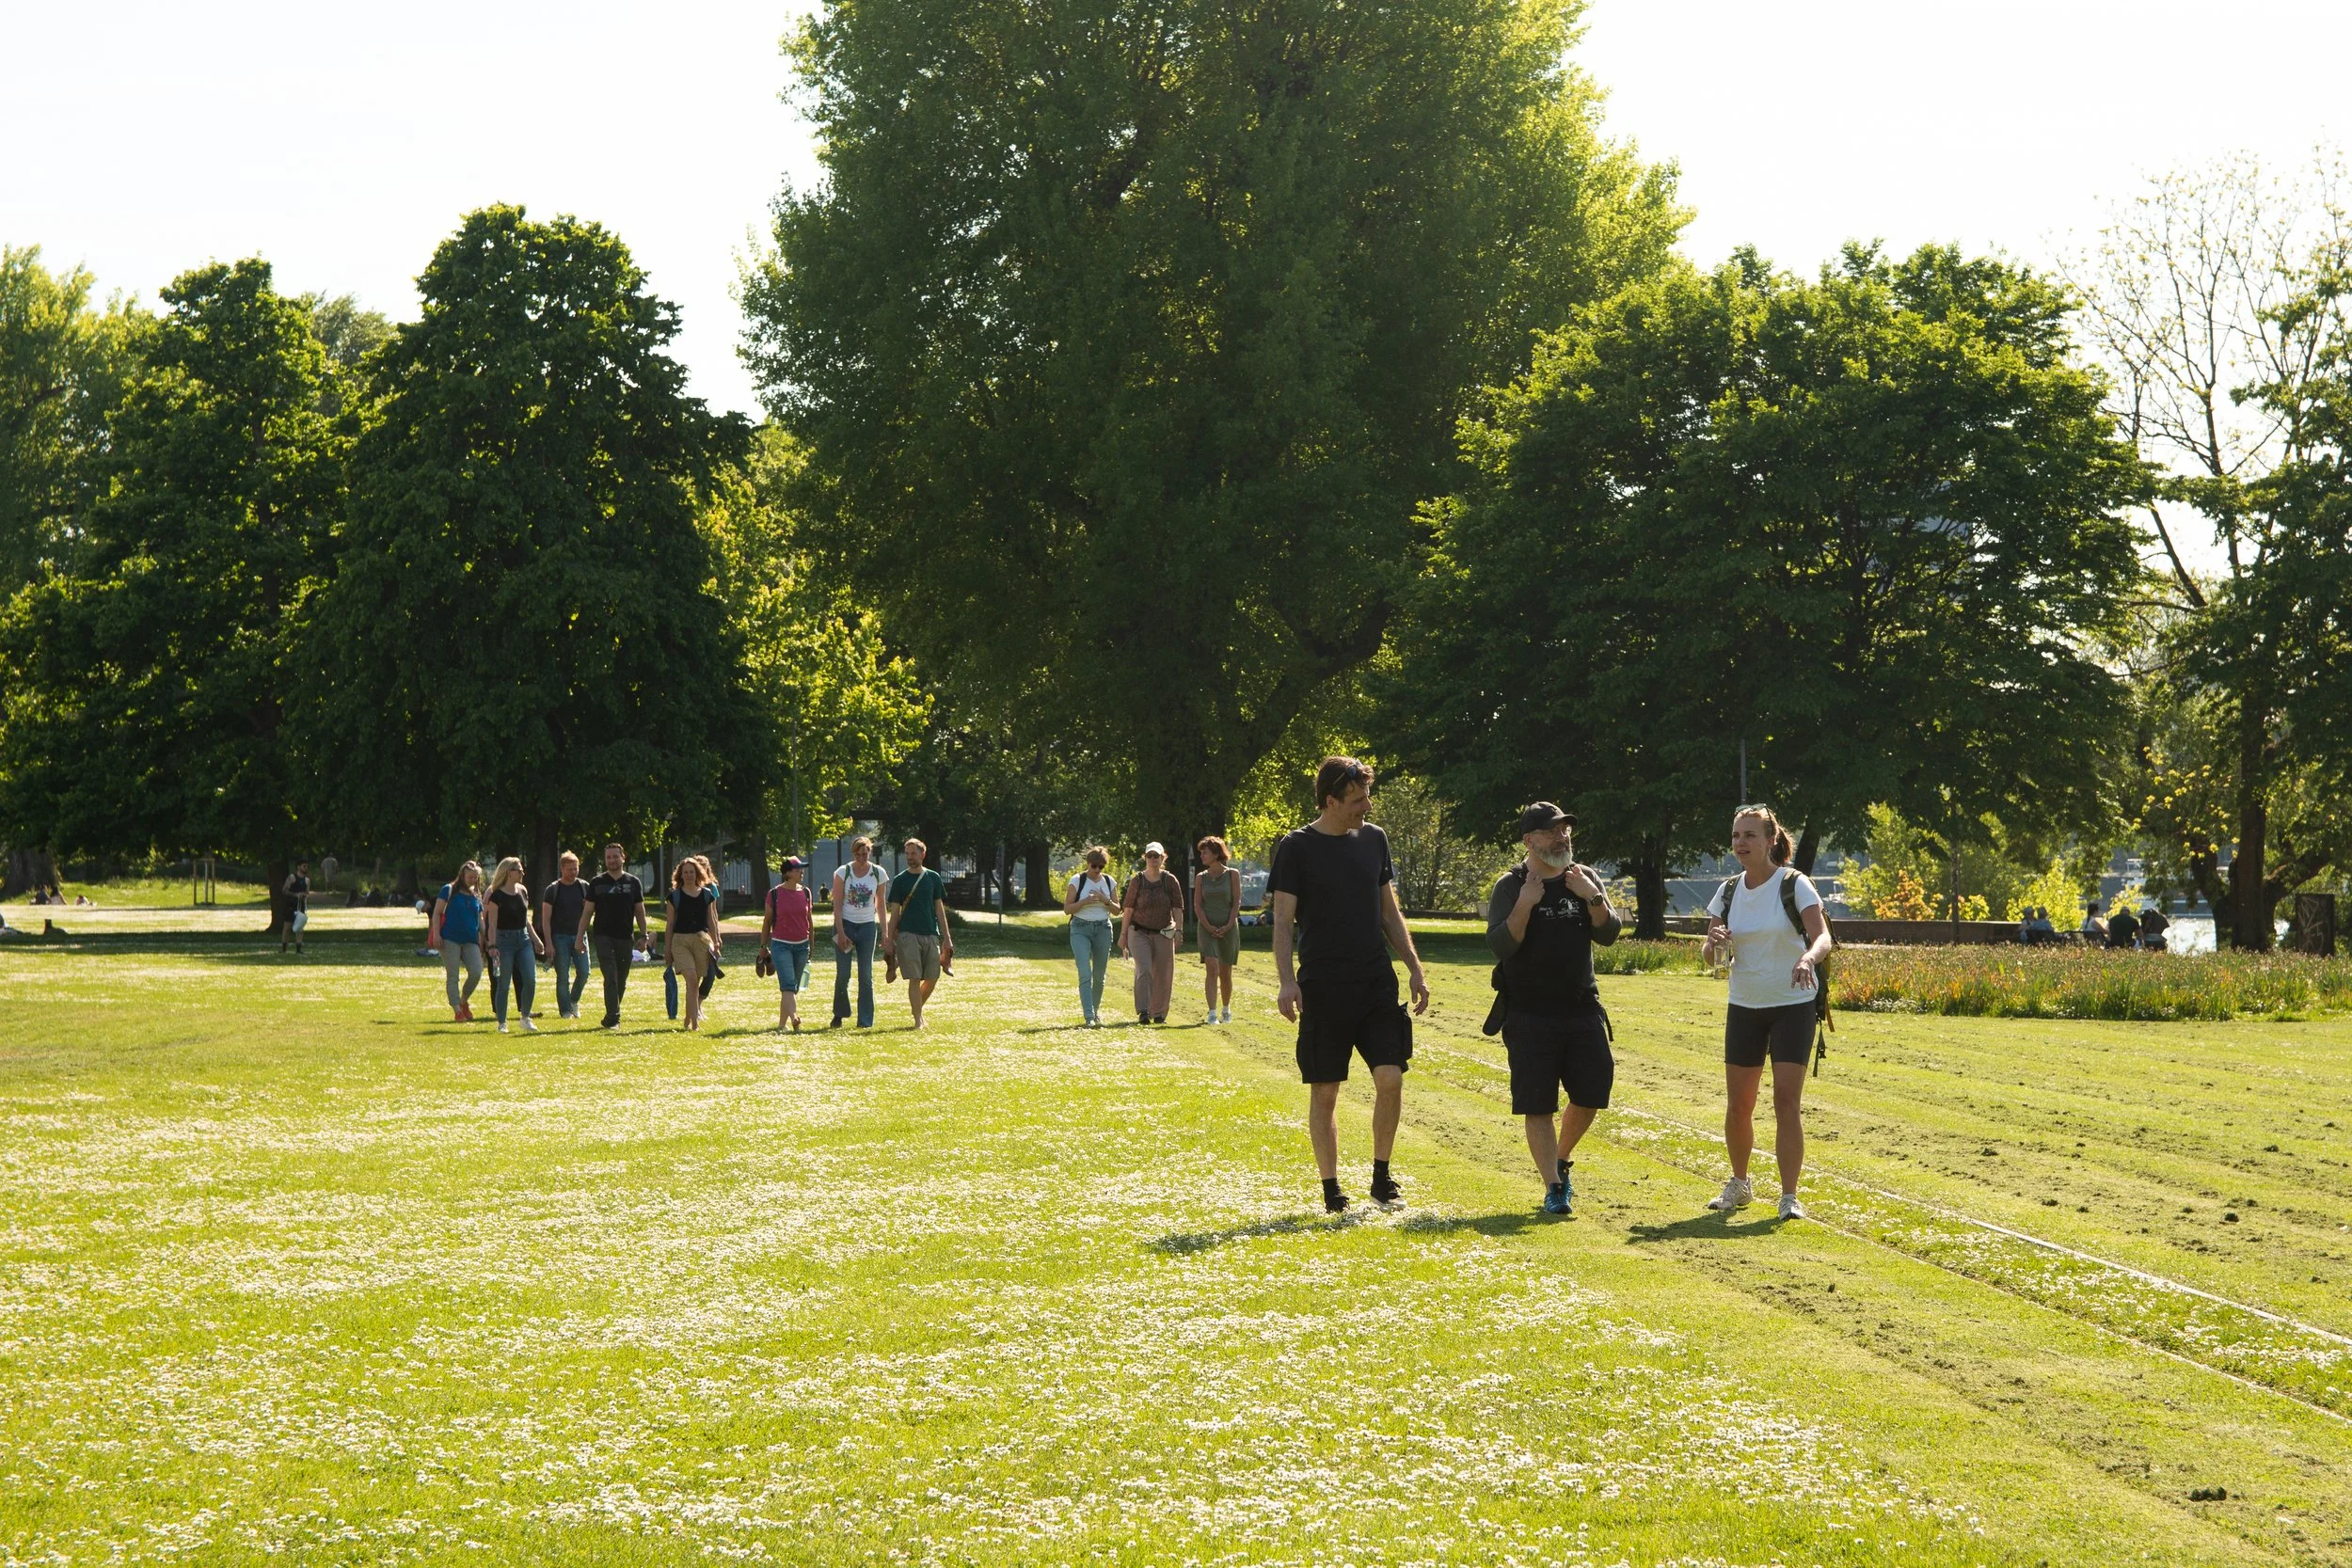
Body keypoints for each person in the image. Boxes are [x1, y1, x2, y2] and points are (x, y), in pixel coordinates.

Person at [1270, 755, 1431, 1213]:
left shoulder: (1375, 840)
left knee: (1391, 1078)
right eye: (1358, 799)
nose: (1367, 806)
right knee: (1326, 1090)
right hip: (1323, 985)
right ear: (1331, 800)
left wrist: (1414, 969)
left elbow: (1388, 911)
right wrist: (1287, 982)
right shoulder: (1296, 847)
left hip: (1375, 982)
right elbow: (1282, 921)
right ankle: (1331, 1189)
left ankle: (1382, 1180)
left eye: (1367, 796)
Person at [1487, 802, 1622, 1217]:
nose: (1562, 837)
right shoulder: (1510, 887)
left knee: (1592, 1093)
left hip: (1581, 1009)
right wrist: (1526, 903)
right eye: (1551, 832)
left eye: (1565, 830)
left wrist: (1592, 897)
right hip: (1528, 1014)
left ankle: (1560, 1159)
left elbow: (1610, 934)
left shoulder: (1583, 878)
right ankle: (1554, 1186)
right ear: (1529, 840)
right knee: (1538, 1104)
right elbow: (1501, 946)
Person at [1700, 804, 1832, 1222]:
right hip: (1745, 1005)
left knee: (1785, 1102)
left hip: (1792, 1004)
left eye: (1750, 835)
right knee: (1739, 1105)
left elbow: (1823, 936)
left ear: (1771, 840)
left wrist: (1808, 959)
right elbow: (1710, 956)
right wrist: (1714, 944)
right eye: (1737, 835)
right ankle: (1739, 1184)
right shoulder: (1727, 891)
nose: (1741, 843)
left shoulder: (1795, 885)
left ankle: (1789, 1196)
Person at [885, 838, 950, 1028]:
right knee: (914, 977)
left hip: (930, 933)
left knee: (932, 977)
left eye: (913, 853)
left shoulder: (933, 878)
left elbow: (939, 910)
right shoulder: (900, 880)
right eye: (907, 854)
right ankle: (917, 1020)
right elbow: (894, 913)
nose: (910, 857)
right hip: (907, 935)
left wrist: (947, 938)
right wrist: (889, 940)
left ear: (923, 854)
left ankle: (917, 1009)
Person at [1120, 843, 1185, 1024]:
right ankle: (1143, 1011)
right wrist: (1123, 935)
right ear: (1145, 858)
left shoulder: (1170, 880)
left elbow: (1178, 907)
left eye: (1156, 856)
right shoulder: (1137, 880)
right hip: (1139, 931)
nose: (1153, 859)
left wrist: (1179, 930)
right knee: (1145, 970)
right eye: (1150, 856)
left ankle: (1158, 1014)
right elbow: (1128, 909)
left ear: (1163, 858)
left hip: (1164, 931)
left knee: (1164, 973)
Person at [585, 844, 650, 1028]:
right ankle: (614, 1018)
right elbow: (587, 912)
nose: (612, 860)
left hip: (625, 937)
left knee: (621, 979)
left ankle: (610, 1015)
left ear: (623, 857)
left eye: (615, 856)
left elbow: (640, 911)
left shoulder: (633, 882)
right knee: (611, 975)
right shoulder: (597, 883)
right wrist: (579, 937)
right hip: (602, 936)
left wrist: (644, 935)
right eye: (608, 857)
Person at [482, 856, 548, 1034]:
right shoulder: (496, 895)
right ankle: (502, 1022)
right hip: (503, 942)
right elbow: (492, 924)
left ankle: (525, 1017)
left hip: (523, 940)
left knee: (530, 979)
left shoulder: (523, 891)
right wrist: (493, 946)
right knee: (504, 983)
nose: (522, 872)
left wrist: (536, 939)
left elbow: (525, 919)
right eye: (518, 870)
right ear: (508, 872)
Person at [831, 837, 885, 1028]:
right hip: (845, 925)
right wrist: (841, 932)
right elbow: (836, 905)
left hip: (867, 927)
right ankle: (839, 1013)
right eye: (858, 854)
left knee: (866, 975)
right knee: (843, 974)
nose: (862, 857)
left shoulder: (878, 873)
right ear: (853, 853)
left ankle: (865, 1021)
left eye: (865, 853)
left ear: (870, 852)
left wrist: (885, 933)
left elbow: (881, 905)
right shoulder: (843, 873)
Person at [1062, 847, 1120, 1026]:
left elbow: (1118, 910)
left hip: (1103, 928)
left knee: (1099, 975)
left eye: (1101, 867)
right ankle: (1089, 1017)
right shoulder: (1077, 880)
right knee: (1085, 973)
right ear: (1088, 863)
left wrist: (1105, 900)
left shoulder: (1109, 882)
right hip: (1080, 928)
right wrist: (1085, 902)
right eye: (1094, 866)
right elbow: (1067, 909)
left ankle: (1095, 1012)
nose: (1097, 870)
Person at [664, 856, 722, 1031]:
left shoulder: (706, 895)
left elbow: (712, 921)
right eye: (685, 872)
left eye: (692, 872)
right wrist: (667, 949)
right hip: (680, 941)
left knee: (695, 982)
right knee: (691, 978)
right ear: (680, 875)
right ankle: (694, 1024)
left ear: (697, 873)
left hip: (701, 939)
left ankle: (688, 1017)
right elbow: (670, 924)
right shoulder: (674, 897)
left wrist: (716, 942)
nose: (688, 875)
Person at [430, 861, 486, 1022]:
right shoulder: (448, 890)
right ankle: (457, 1010)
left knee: (476, 972)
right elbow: (436, 913)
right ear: (462, 875)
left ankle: (463, 1001)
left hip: (470, 940)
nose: (473, 880)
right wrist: (437, 935)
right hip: (449, 939)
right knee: (453, 975)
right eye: (470, 877)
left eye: (475, 878)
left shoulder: (476, 895)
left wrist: (487, 938)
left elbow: (480, 919)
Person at [764, 856, 815, 1031]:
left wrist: (811, 946)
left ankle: (781, 1025)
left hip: (802, 945)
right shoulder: (774, 894)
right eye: (797, 869)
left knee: (792, 988)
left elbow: (809, 921)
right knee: (787, 984)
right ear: (787, 873)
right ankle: (795, 1018)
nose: (801, 872)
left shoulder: (806, 893)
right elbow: (767, 921)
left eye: (802, 869)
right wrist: (764, 946)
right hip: (781, 945)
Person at [1194, 836, 1242, 1024]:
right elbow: (1197, 905)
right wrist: (1209, 927)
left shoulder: (1233, 874)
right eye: (1201, 852)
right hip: (1207, 928)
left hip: (1228, 928)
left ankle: (1226, 1009)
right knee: (1211, 968)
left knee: (1225, 971)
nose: (1202, 856)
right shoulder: (1200, 877)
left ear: (1216, 853)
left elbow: (1236, 901)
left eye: (1205, 852)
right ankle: (1212, 1012)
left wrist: (1228, 925)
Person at [539, 851, 592, 1021]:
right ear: (562, 868)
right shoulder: (552, 890)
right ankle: (565, 1011)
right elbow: (546, 920)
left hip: (579, 936)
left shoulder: (584, 887)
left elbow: (591, 911)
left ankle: (573, 1000)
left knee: (584, 972)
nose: (573, 873)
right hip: (559, 937)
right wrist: (549, 944)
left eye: (576, 869)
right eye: (570, 869)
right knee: (563, 977)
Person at [280, 862, 311, 955]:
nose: (306, 868)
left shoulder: (307, 880)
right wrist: (296, 895)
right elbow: (284, 890)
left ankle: (298, 949)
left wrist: (305, 896)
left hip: (300, 905)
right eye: (304, 866)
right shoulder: (292, 878)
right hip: (290, 905)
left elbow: (307, 892)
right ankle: (284, 949)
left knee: (300, 928)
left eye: (307, 866)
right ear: (298, 867)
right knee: (287, 928)